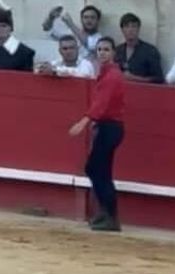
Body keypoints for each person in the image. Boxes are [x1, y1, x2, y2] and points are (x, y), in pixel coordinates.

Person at [69, 37, 125, 233]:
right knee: (100, 171)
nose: (102, 53)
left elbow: (101, 105)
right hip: (109, 127)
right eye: (100, 49)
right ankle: (106, 214)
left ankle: (110, 216)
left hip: (110, 127)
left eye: (106, 50)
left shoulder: (112, 76)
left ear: (113, 53)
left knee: (95, 170)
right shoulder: (109, 73)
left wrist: (83, 122)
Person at [114, 13, 163, 84]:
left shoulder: (150, 51)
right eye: (127, 26)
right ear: (122, 30)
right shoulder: (117, 50)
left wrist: (134, 78)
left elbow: (159, 79)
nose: (130, 30)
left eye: (134, 26)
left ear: (139, 29)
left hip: (143, 92)